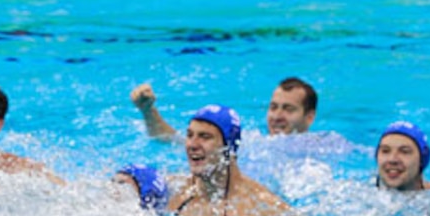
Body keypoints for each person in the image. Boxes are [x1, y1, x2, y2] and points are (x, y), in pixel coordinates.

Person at [160, 104, 290, 216]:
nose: (192, 145)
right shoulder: (172, 190)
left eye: (205, 137)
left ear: (228, 148)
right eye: (189, 135)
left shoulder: (261, 207)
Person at [132, 76, 319, 138]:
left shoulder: (328, 146)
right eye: (273, 107)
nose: (277, 115)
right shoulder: (252, 142)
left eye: (288, 109)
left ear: (309, 117)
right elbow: (174, 140)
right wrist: (148, 111)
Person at [375, 121, 430, 191]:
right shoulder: (365, 193)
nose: (392, 159)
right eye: (385, 151)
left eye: (404, 152)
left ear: (421, 160)